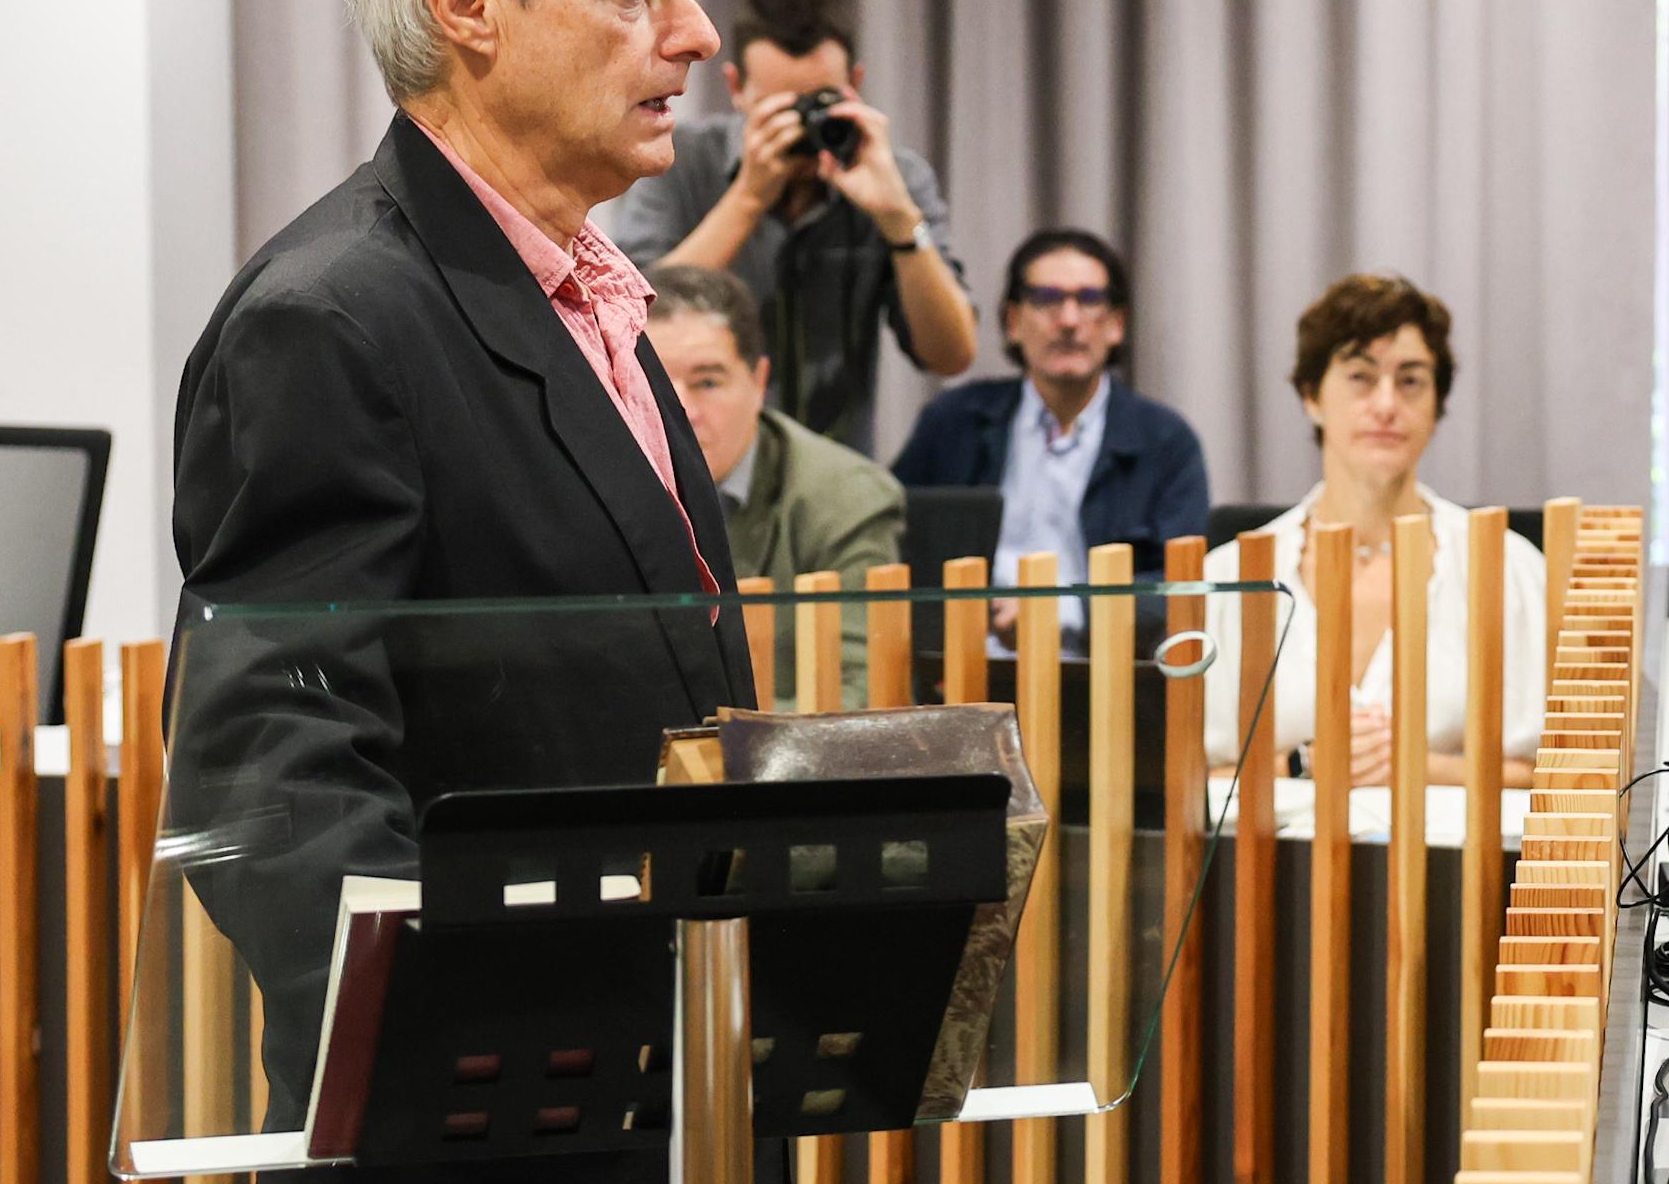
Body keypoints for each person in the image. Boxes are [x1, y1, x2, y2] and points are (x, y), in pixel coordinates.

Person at [172, 0, 755, 1184]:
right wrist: (486, 1044)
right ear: (467, 4)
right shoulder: (331, 317)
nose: (693, 33)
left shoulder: (605, 299)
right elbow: (271, 767)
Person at [604, 0, 978, 451]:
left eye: (818, 102)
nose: (800, 126)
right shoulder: (681, 161)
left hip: (835, 475)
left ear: (854, 85)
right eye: (779, 108)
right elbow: (633, 326)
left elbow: (951, 355)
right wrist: (747, 198)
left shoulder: (894, 175)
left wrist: (898, 218)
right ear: (736, 88)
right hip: (693, 460)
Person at [1203, 272, 1545, 783]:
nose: (1386, 405)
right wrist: (1303, 764)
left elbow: (1557, 776)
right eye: (1360, 377)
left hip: (1454, 836)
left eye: (1410, 381)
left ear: (1436, 406)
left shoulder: (1510, 569)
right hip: (1273, 837)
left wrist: (1418, 768)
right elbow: (1186, 783)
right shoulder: (1228, 577)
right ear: (1312, 396)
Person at [892, 228, 1213, 627]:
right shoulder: (954, 421)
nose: (1068, 321)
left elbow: (1183, 589)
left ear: (1116, 324)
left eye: (1089, 299)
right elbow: (890, 539)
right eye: (1046, 299)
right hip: (963, 653)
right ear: (1013, 321)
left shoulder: (1165, 441)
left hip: (1104, 659)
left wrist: (1060, 612)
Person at [647, 260, 902, 700]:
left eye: (707, 382)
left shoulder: (844, 498)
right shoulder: (592, 487)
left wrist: (707, 732)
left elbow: (863, 696)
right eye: (655, 382)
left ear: (759, 382)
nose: (681, 411)